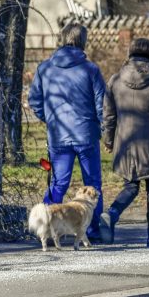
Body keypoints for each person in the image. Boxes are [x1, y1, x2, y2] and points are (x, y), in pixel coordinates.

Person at [28, 23, 106, 241]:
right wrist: (104, 128)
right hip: (86, 134)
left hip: (58, 135)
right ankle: (92, 230)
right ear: (83, 41)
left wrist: (50, 120)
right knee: (93, 184)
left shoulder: (45, 68)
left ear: (62, 40)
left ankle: (46, 226)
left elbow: (34, 100)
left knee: (58, 183)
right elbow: (102, 104)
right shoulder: (90, 69)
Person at [99, 38, 149, 247]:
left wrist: (109, 140)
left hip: (124, 142)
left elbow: (108, 116)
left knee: (131, 185)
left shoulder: (115, 80)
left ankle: (112, 214)